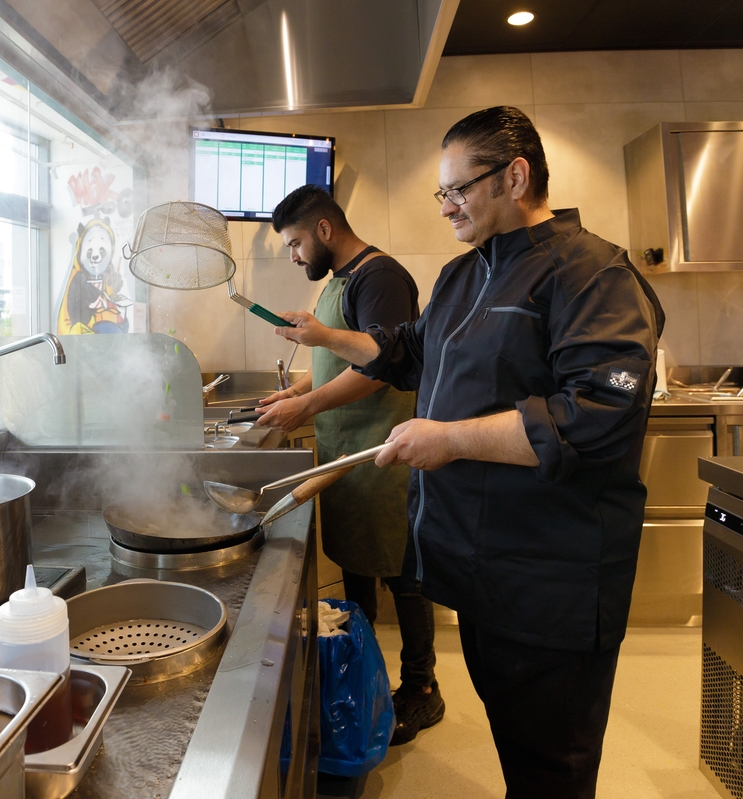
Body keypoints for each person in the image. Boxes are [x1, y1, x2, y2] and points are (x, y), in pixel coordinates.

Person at [274, 106, 664, 798]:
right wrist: (326, 340)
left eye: (457, 189)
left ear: (514, 177)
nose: (445, 206)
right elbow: (401, 353)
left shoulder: (593, 274)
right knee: (517, 752)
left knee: (552, 770)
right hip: (480, 580)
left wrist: (448, 438)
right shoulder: (461, 277)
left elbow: (596, 417)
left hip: (550, 585)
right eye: (441, 193)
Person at [257, 185, 444, 746]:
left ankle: (422, 690)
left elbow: (380, 368)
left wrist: (307, 406)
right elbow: (344, 355)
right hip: (350, 455)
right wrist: (299, 386)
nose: (293, 257)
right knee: (361, 570)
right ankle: (364, 678)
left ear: (323, 231)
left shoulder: (379, 277)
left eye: (294, 244)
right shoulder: (340, 281)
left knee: (403, 576)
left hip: (384, 455)